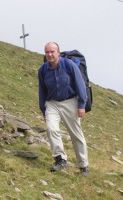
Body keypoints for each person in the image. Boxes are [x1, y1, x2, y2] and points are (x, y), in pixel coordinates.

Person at [38, 42, 89, 176]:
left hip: (70, 101)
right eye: (47, 52)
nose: (49, 54)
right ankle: (60, 159)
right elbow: (42, 91)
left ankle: (83, 166)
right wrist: (43, 110)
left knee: (76, 134)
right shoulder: (43, 70)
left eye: (52, 52)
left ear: (58, 53)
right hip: (52, 103)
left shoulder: (69, 65)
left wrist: (81, 105)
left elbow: (80, 85)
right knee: (51, 129)